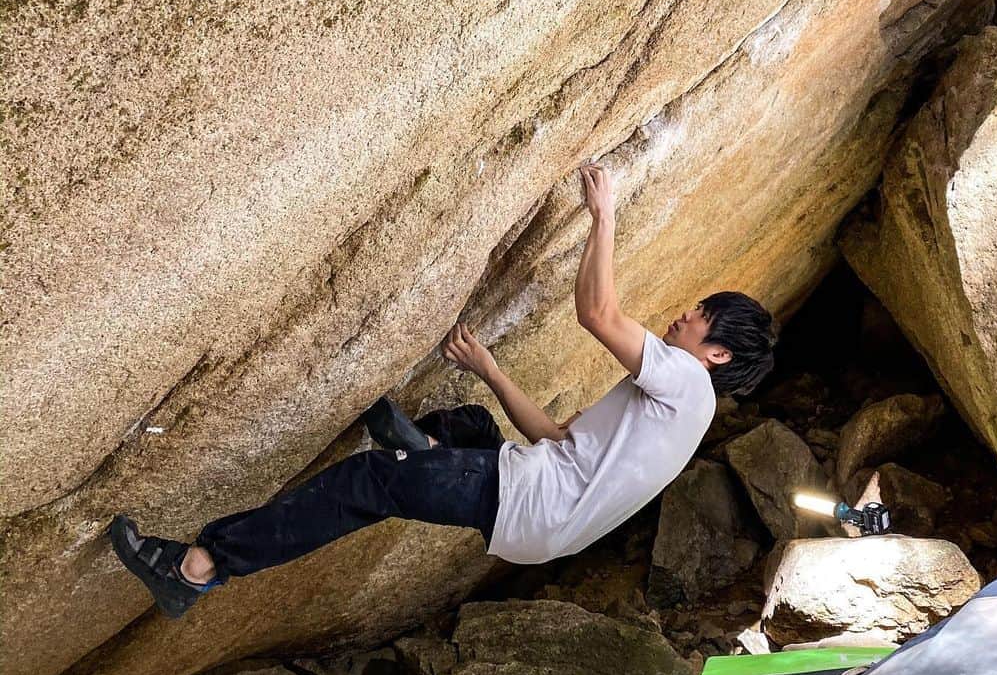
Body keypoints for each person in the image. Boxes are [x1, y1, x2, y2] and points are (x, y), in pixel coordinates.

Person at [109, 163, 777, 618]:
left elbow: (598, 315)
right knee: (475, 429)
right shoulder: (672, 415)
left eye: (700, 316)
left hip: (528, 500)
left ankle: (196, 569)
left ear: (716, 351)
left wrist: (604, 217)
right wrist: (489, 368)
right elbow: (557, 438)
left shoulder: (690, 382)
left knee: (367, 484)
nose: (684, 317)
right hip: (541, 516)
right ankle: (426, 449)